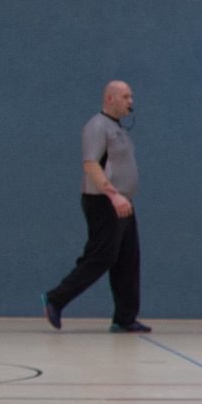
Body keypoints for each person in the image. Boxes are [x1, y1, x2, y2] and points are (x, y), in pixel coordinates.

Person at [44, 79, 146, 333]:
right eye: (125, 97)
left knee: (127, 260)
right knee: (101, 256)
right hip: (104, 201)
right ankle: (56, 299)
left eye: (131, 96)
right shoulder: (97, 126)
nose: (130, 102)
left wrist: (123, 197)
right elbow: (91, 165)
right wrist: (113, 196)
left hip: (123, 202)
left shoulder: (117, 128)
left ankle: (125, 317)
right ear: (110, 98)